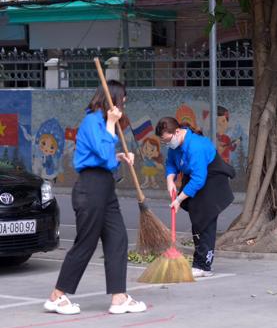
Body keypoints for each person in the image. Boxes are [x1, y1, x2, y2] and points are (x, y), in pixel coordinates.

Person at [44, 80, 147, 315]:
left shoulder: (103, 123)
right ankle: (56, 296)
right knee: (86, 242)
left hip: (105, 188)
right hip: (90, 188)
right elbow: (101, 151)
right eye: (122, 101)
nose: (122, 106)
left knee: (118, 239)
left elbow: (106, 159)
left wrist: (120, 157)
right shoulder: (92, 121)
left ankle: (119, 297)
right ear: (112, 99)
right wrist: (111, 124)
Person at [155, 117, 235, 278]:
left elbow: (199, 178)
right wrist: (170, 180)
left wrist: (179, 199)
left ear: (177, 132)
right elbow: (171, 163)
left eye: (167, 140)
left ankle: (204, 265)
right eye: (164, 142)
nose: (167, 144)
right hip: (195, 179)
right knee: (197, 219)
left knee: (205, 220)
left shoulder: (196, 146)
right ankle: (199, 262)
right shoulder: (175, 145)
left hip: (211, 180)